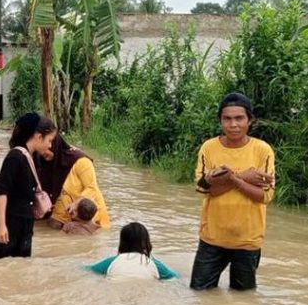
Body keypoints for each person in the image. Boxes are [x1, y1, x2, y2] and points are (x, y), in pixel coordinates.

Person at [191, 92, 276, 291]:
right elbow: (203, 189)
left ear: (249, 121)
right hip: (211, 238)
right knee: (199, 294)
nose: (233, 124)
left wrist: (230, 178)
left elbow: (265, 196)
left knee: (243, 302)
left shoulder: (262, 150)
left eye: (239, 118)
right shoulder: (209, 148)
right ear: (220, 121)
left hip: (247, 240)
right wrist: (244, 177)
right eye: (227, 119)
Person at [0, 113, 57, 260]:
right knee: (2, 272)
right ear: (38, 137)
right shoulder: (15, 157)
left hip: (24, 224)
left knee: (20, 270)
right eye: (50, 140)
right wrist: (1, 225)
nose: (50, 145)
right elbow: (1, 192)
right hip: (8, 224)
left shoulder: (30, 157)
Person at [39, 134, 111, 230]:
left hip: (87, 212)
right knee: (52, 227)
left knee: (83, 233)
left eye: (47, 144)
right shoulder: (47, 163)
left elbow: (91, 188)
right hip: (65, 209)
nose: (42, 152)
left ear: (55, 146)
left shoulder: (82, 161)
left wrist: (76, 204)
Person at [86, 222, 179, 280]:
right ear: (145, 242)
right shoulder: (154, 264)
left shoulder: (111, 262)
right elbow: (175, 277)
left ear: (122, 242)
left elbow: (87, 270)